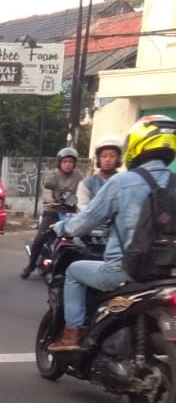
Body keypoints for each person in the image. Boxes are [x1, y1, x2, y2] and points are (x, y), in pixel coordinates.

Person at [49, 116, 176, 352]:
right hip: (169, 273)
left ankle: (72, 333)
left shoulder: (123, 182)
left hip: (127, 270)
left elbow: (83, 223)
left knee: (74, 271)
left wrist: (60, 228)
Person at [21, 146, 83, 278]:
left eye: (70, 162)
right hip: (53, 211)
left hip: (72, 213)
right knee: (39, 239)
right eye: (65, 162)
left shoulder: (79, 176)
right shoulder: (52, 175)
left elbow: (84, 191)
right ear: (60, 162)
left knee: (82, 239)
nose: (67, 165)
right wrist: (52, 201)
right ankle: (31, 265)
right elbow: (47, 191)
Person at [77, 135, 123, 209]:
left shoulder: (124, 183)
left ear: (118, 158)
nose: (107, 159)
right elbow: (83, 207)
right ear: (98, 159)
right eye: (104, 156)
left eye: (112, 156)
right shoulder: (87, 183)